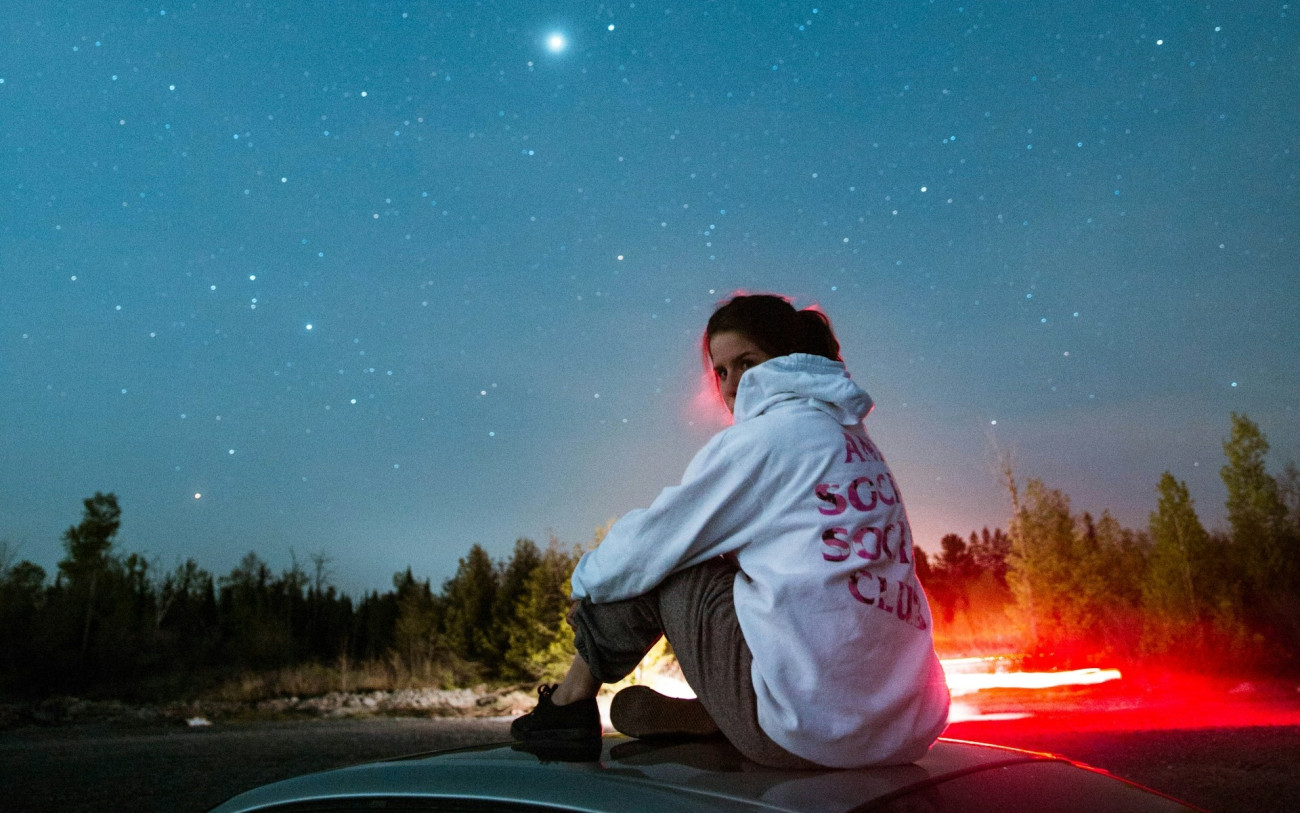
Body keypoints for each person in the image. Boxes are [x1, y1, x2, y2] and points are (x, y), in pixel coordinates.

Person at [511, 293, 950, 768]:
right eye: (721, 372)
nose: (733, 385)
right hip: (903, 729)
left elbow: (652, 541)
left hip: (809, 733)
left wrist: (585, 586)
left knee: (671, 560)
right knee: (710, 555)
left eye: (747, 363)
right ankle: (722, 710)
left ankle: (569, 706)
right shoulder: (853, 440)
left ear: (787, 358)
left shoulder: (767, 438)